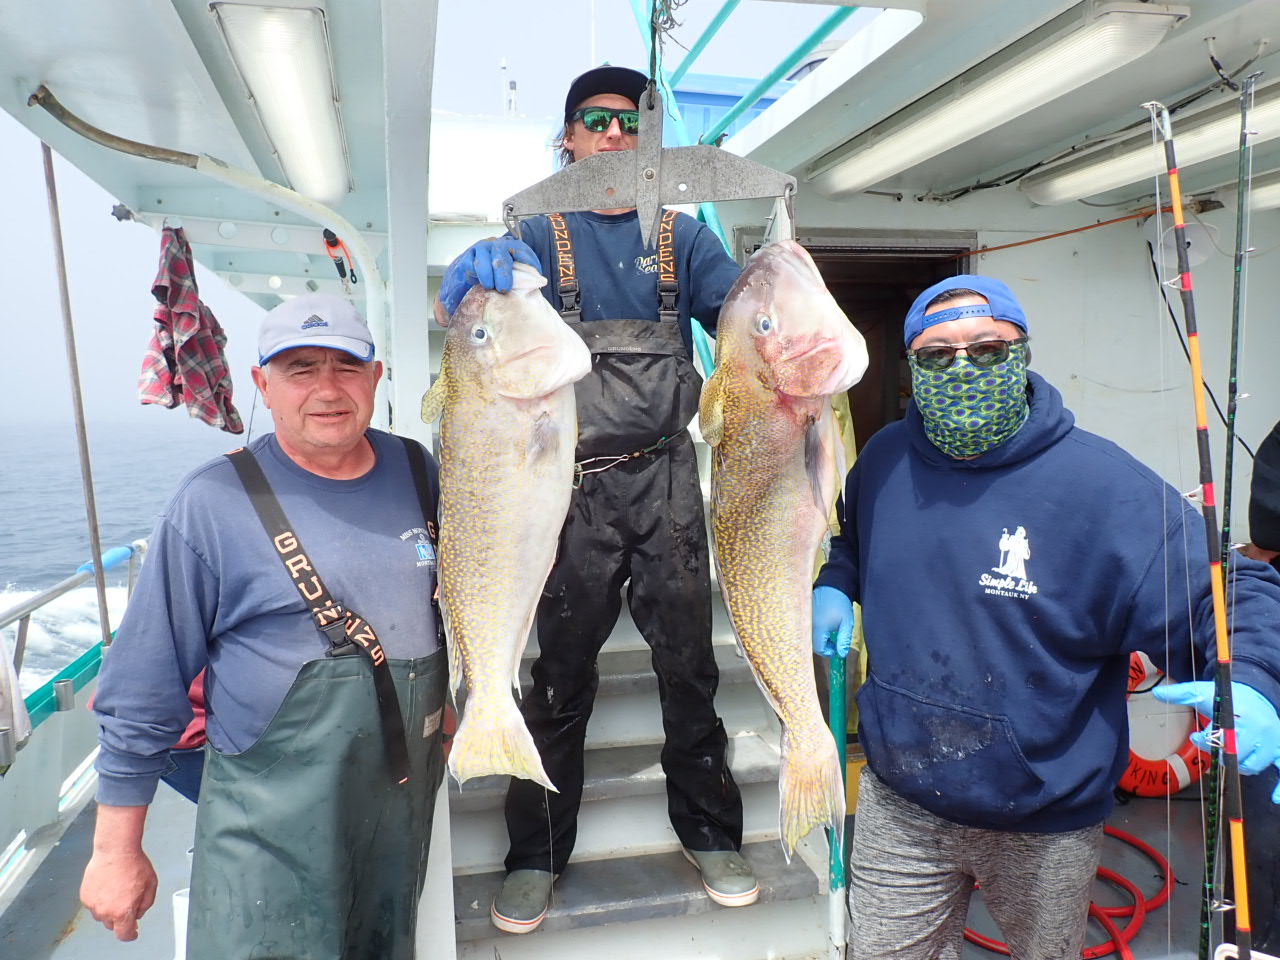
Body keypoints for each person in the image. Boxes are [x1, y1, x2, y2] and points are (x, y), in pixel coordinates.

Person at [810, 275, 1280, 960]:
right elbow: (854, 540)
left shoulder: (1102, 487)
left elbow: (1230, 589)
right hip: (900, 802)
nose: (963, 366)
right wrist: (835, 580)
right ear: (912, 366)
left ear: (1023, 352)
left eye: (988, 348)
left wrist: (1256, 683)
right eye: (938, 354)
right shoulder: (881, 459)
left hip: (1045, 819)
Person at [434, 65, 754, 933]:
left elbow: (736, 310)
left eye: (629, 125)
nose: (613, 137)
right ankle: (535, 854)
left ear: (650, 147)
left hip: (667, 481)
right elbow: (469, 326)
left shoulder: (685, 239)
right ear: (567, 139)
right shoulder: (532, 233)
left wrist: (773, 286)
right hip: (564, 489)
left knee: (690, 667)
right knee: (559, 676)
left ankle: (711, 829)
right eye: (595, 122)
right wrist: (465, 283)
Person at [80, 294, 447, 960]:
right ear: (262, 385)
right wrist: (115, 850)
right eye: (301, 369)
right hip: (267, 839)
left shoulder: (419, 470)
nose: (328, 389)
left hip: (396, 817)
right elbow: (142, 689)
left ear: (376, 375)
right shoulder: (210, 503)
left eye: (346, 366)